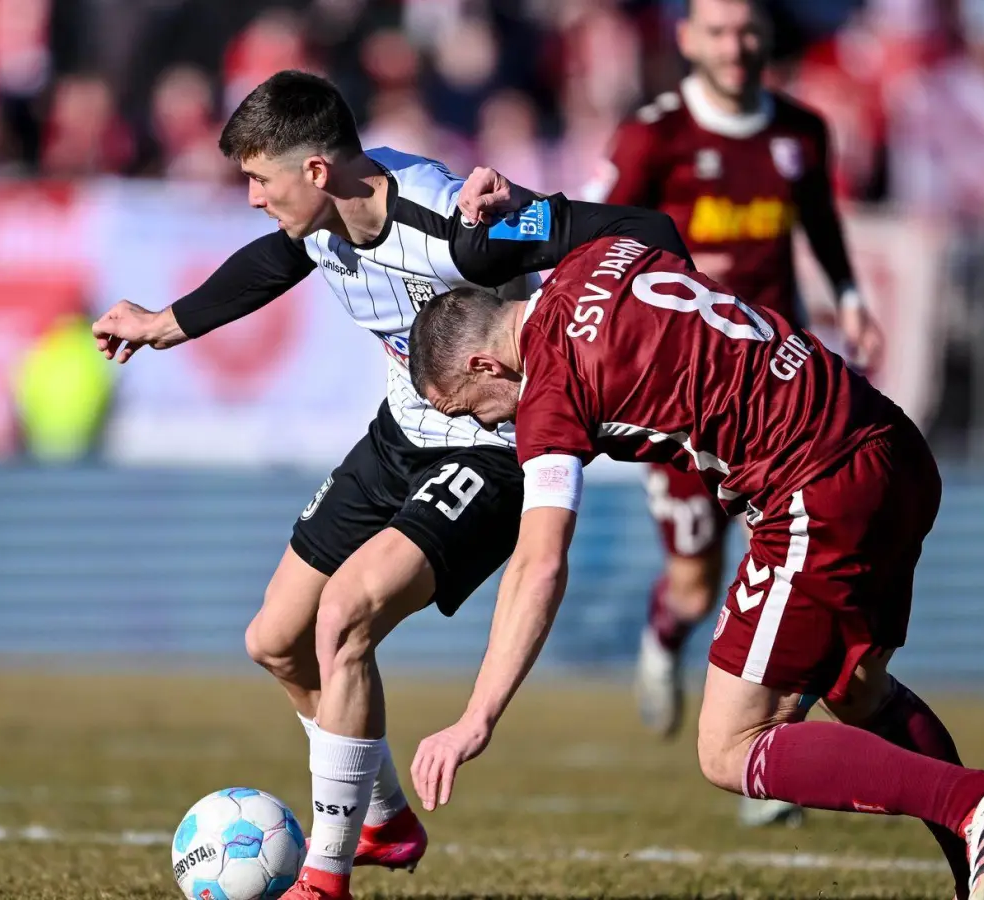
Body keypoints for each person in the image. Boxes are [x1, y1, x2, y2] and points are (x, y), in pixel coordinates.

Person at [91, 71, 686, 900]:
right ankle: (383, 820)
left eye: (260, 180)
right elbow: (274, 260)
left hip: (489, 451)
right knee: (275, 640)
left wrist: (541, 221)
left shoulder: (458, 229)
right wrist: (165, 323)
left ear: (317, 172)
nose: (254, 199)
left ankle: (324, 879)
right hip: (400, 435)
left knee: (347, 617)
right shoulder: (321, 220)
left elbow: (641, 225)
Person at [404, 199, 984, 900]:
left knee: (728, 745)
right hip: (887, 442)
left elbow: (540, 562)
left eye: (468, 409)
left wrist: (478, 717)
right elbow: (637, 223)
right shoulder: (602, 255)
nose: (482, 425)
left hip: (814, 484)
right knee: (856, 691)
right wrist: (514, 207)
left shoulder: (549, 393)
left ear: (482, 364)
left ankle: (975, 802)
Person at [583, 1, 884, 796]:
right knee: (692, 582)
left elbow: (819, 221)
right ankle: (664, 633)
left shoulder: (801, 132)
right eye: (716, 30)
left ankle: (765, 758)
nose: (735, 45)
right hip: (683, 399)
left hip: (779, 395)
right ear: (686, 39)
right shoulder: (655, 134)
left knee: (790, 568)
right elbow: (596, 228)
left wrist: (849, 295)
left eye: (747, 29)